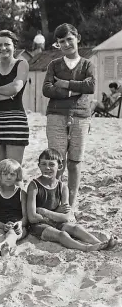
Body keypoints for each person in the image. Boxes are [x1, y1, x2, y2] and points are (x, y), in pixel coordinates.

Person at [42, 23, 95, 211]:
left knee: (74, 163)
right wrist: (73, 91)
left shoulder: (88, 64)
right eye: (61, 41)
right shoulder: (54, 65)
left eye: (69, 39)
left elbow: (90, 86)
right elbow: (47, 89)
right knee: (57, 163)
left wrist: (65, 84)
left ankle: (70, 206)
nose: (66, 44)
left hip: (80, 117)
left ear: (77, 38)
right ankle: (54, 202)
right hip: (56, 116)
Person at [27, 148, 117, 251]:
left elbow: (65, 217)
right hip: (38, 226)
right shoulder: (34, 186)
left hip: (55, 222)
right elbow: (32, 217)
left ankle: (101, 244)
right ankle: (86, 247)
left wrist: (44, 211)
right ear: (39, 166)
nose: (47, 168)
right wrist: (56, 215)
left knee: (76, 228)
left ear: (60, 166)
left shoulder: (62, 187)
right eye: (43, 164)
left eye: (51, 164)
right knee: (62, 235)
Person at [0, 30, 29, 168]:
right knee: (0, 171)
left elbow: (16, 87)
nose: (2, 48)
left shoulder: (21, 64)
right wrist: (6, 93)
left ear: (14, 46)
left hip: (15, 121)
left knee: (14, 171)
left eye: (7, 44)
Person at [0, 159, 27, 255]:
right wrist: (2, 225)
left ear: (18, 175)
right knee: (0, 235)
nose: (8, 177)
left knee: (11, 233)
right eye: (5, 174)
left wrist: (19, 223)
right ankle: (7, 250)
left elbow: (26, 216)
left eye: (12, 174)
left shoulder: (21, 193)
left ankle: (1, 245)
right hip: (1, 226)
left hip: (18, 227)